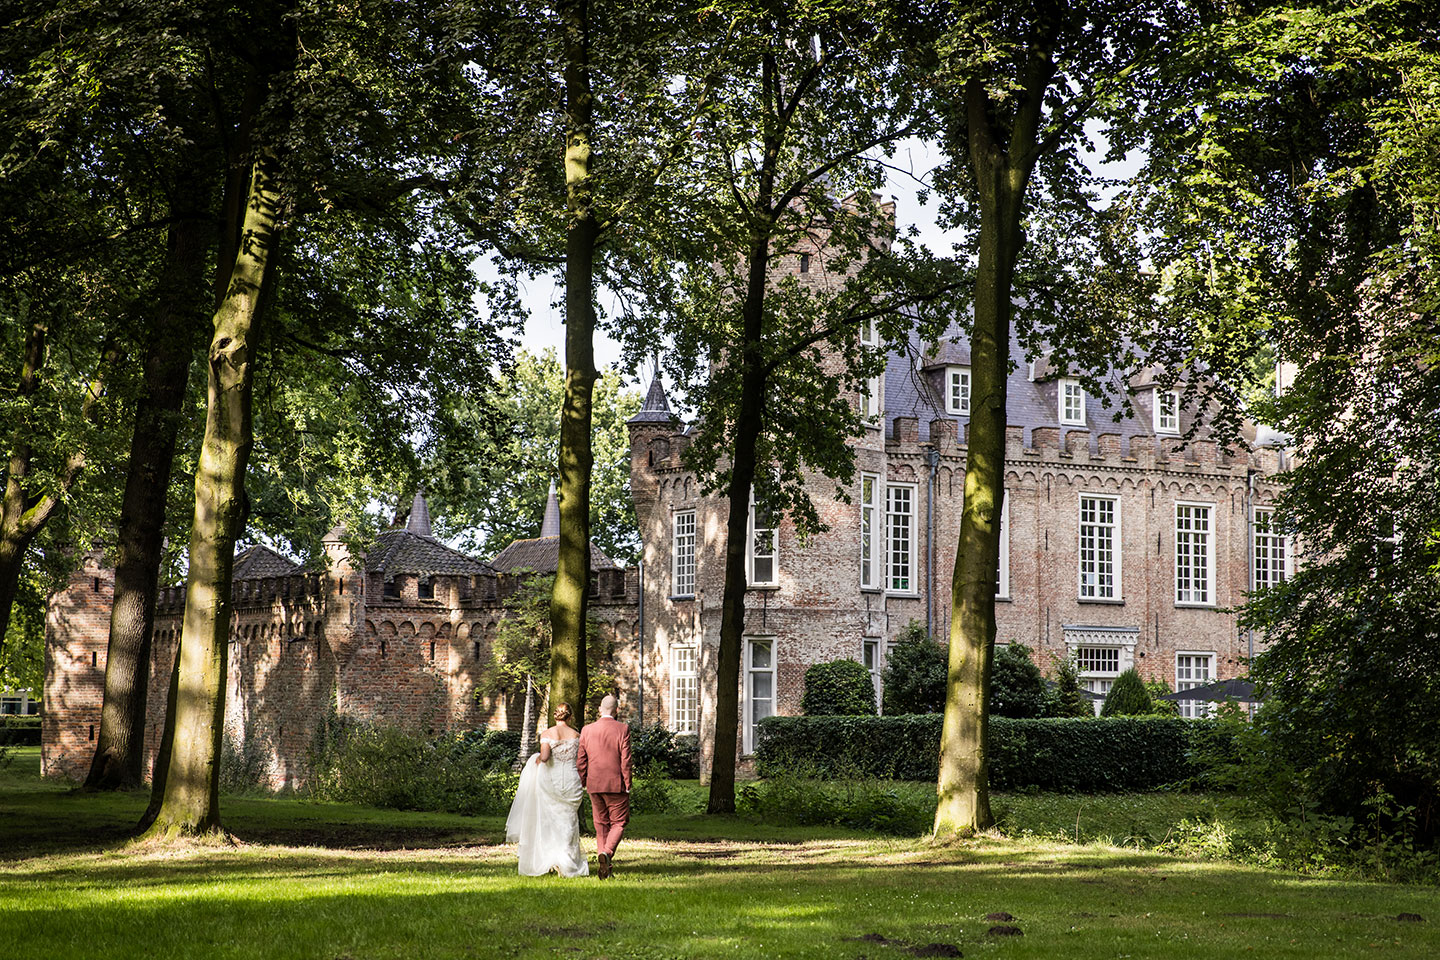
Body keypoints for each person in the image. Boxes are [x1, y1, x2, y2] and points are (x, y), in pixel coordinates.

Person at [505, 702, 587, 877]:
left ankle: (552, 859)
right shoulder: (576, 735)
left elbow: (545, 756)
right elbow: (580, 759)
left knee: (550, 820)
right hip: (571, 780)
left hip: (552, 780)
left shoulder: (548, 733)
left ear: (555, 716)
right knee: (569, 819)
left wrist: (536, 760)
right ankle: (567, 861)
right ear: (570, 716)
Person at [576, 693, 632, 880]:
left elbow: (581, 760)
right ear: (617, 711)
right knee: (619, 822)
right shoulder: (622, 729)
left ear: (600, 709)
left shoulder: (586, 730)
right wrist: (627, 783)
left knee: (601, 825)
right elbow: (626, 760)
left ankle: (606, 868)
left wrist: (583, 781)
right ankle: (607, 852)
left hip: (594, 784)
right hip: (616, 784)